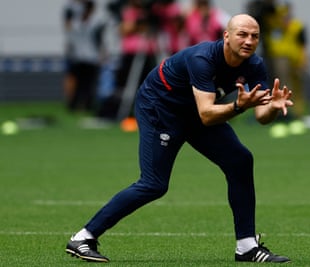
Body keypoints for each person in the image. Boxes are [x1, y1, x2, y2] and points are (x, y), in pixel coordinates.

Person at [65, 14, 292, 263]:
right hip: (160, 108)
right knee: (154, 184)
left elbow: (261, 116)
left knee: (240, 160)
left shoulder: (255, 65)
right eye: (242, 34)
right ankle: (83, 237)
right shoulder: (202, 59)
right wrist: (238, 107)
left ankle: (247, 247)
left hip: (195, 111)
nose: (249, 41)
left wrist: (273, 106)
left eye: (254, 36)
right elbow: (207, 114)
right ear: (226, 36)